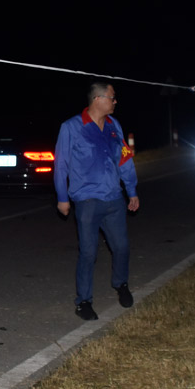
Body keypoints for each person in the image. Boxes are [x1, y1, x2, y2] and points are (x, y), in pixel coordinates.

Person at [54, 81, 139, 320]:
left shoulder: (114, 126)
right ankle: (83, 301)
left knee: (122, 247)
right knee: (88, 253)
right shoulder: (71, 127)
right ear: (97, 99)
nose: (115, 101)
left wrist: (131, 190)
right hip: (87, 201)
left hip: (114, 198)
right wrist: (62, 197)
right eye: (112, 97)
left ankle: (121, 284)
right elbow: (61, 165)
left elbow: (124, 158)